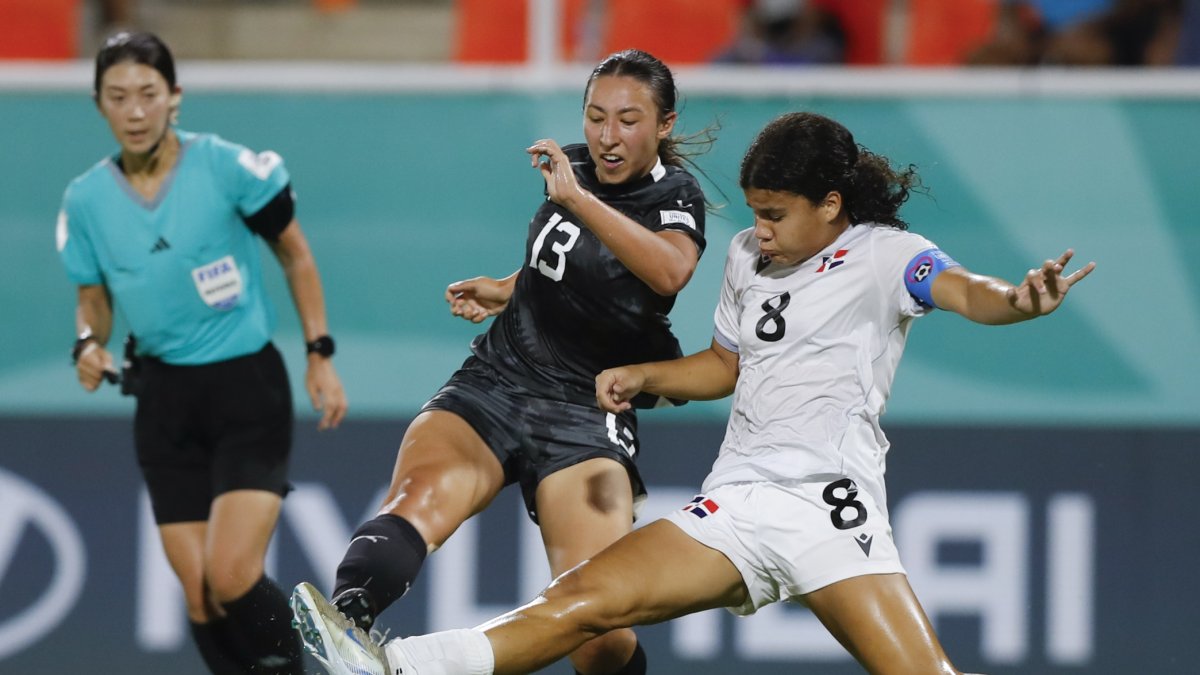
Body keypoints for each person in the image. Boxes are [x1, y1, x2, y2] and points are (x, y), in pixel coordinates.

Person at [290, 110, 1096, 675]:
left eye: (777, 214)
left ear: (831, 206)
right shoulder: (747, 254)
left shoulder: (888, 255)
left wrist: (1020, 300)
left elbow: (967, 291)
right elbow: (724, 364)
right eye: (755, 212)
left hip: (830, 510)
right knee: (584, 601)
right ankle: (396, 668)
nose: (761, 229)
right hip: (736, 503)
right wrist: (647, 377)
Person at [290, 49, 709, 675]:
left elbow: (669, 271)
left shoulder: (674, 194)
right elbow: (569, 264)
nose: (607, 136)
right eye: (596, 116)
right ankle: (348, 627)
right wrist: (509, 287)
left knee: (600, 635)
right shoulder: (574, 168)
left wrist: (579, 199)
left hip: (585, 416)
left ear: (665, 124)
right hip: (497, 381)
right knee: (417, 500)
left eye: (628, 120)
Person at [56, 31, 347, 674]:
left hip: (246, 391)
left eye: (148, 94)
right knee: (199, 595)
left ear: (175, 97)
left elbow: (295, 254)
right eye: (117, 97)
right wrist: (87, 342)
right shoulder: (86, 200)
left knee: (232, 575)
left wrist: (318, 351)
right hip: (163, 401)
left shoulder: (226, 167)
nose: (135, 111)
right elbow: (92, 300)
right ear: (99, 104)